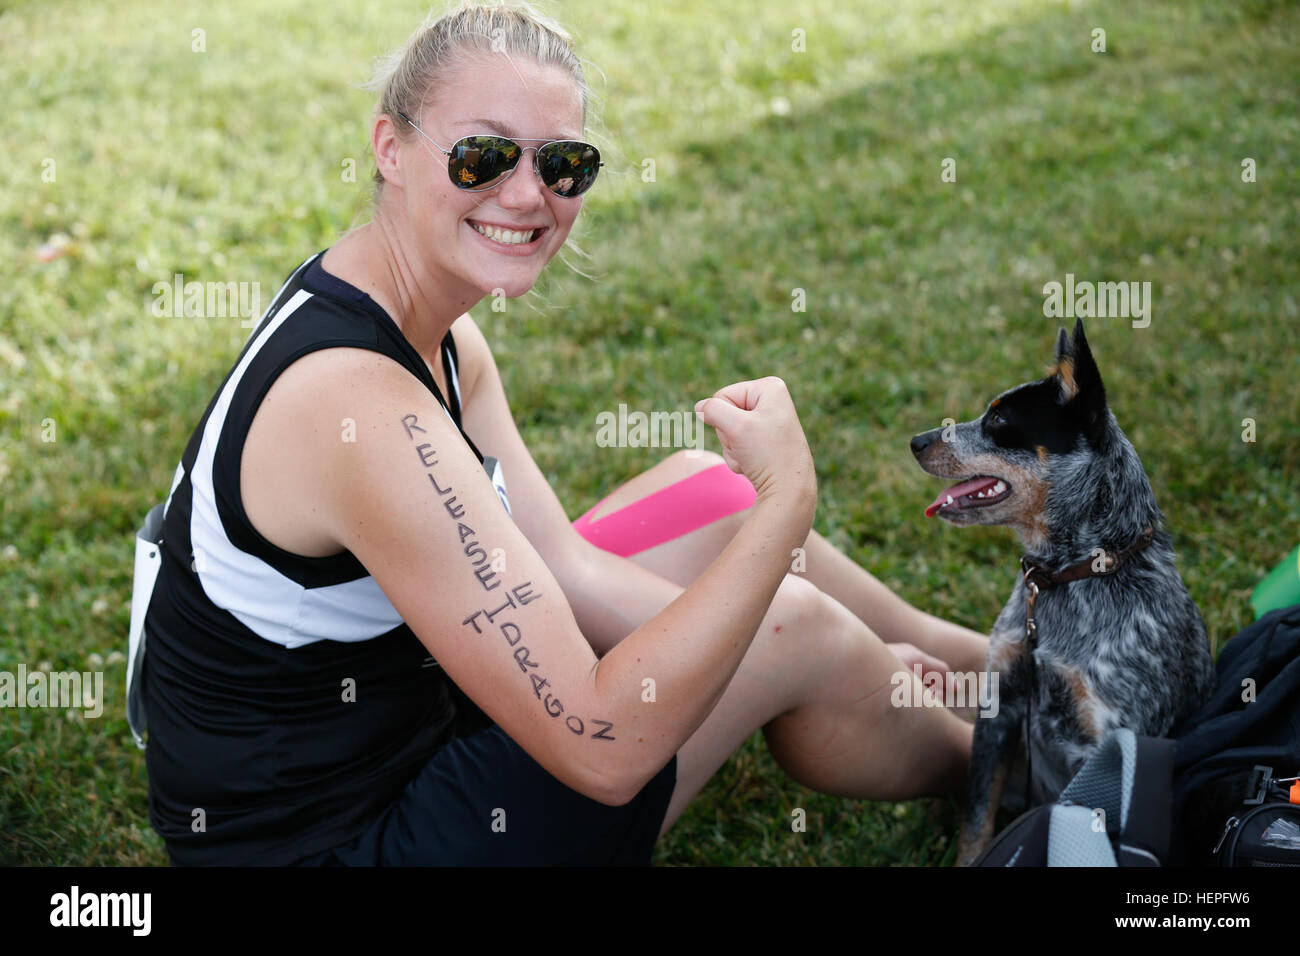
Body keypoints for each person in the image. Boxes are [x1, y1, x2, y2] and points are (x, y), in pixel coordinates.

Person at [141, 0, 987, 866]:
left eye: (564, 163)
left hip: (418, 724)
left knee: (710, 497)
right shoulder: (356, 406)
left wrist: (824, 643)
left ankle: (996, 671)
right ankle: (1010, 770)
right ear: (389, 149)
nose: (525, 193)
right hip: (344, 842)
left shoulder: (434, 335)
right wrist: (787, 510)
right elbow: (600, 743)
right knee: (790, 622)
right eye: (483, 154)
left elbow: (562, 564)